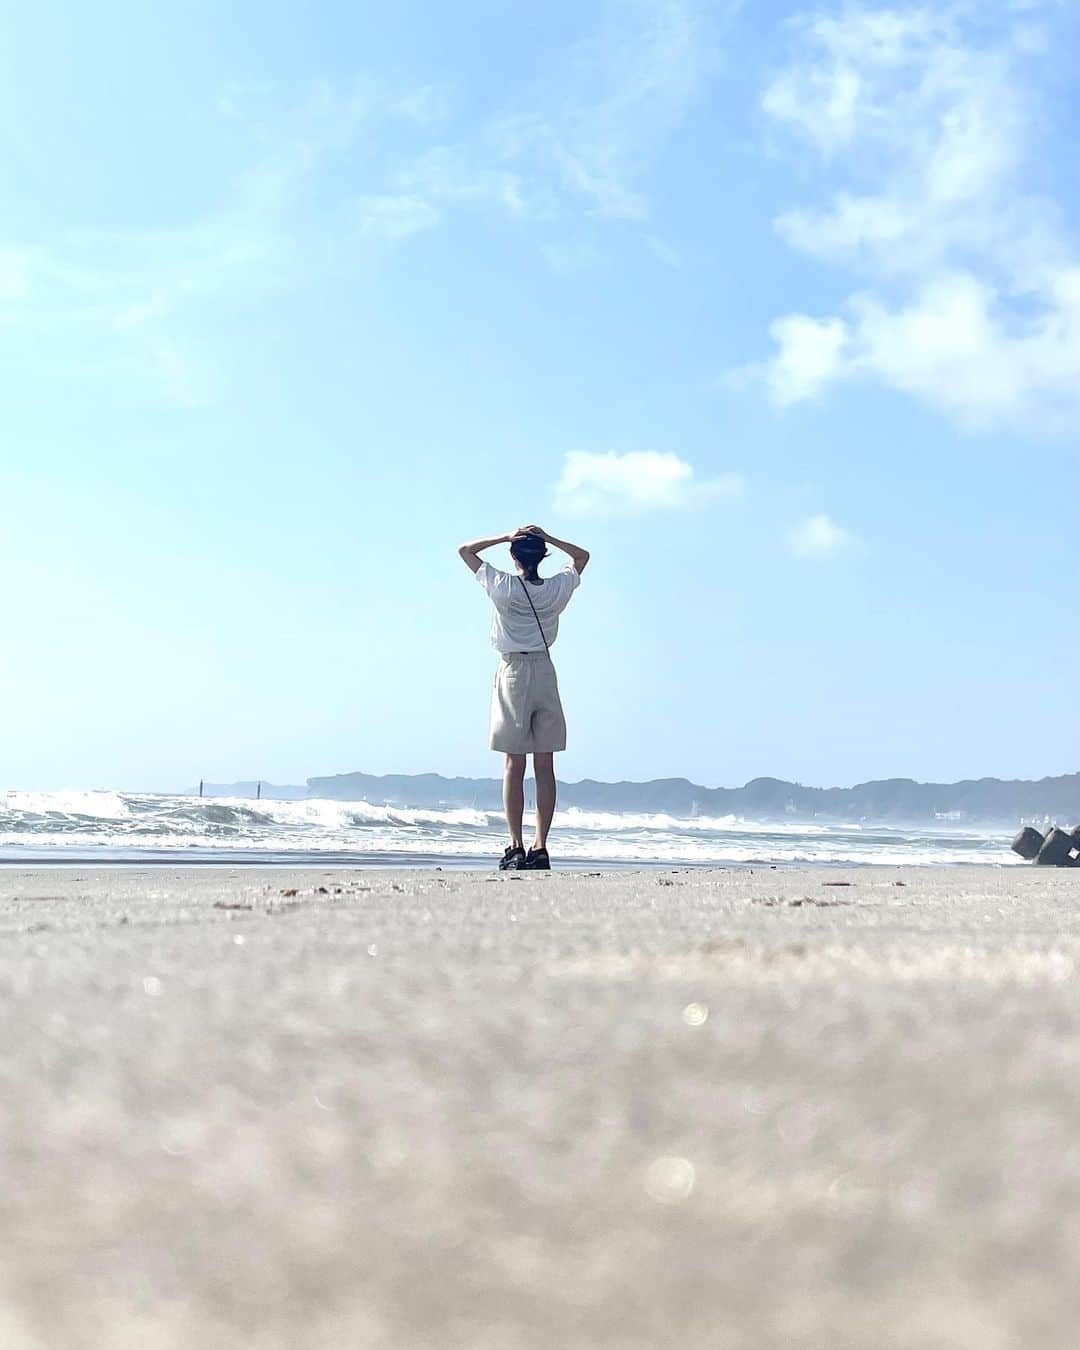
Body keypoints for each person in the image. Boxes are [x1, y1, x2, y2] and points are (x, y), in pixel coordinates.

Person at [458, 525, 590, 870]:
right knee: (544, 764)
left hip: (513, 670)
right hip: (545, 670)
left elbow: (466, 551)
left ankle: (515, 845)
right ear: (542, 556)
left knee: (513, 763)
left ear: (514, 557)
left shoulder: (503, 587)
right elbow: (581, 557)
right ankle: (540, 846)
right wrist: (551, 538)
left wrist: (503, 537)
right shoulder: (556, 590)